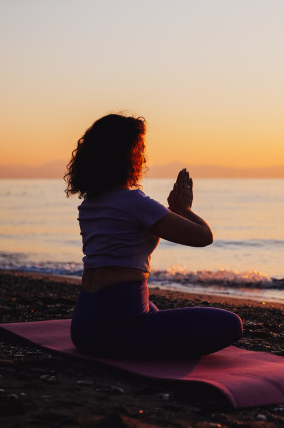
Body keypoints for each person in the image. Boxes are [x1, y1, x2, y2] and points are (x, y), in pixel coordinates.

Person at [64, 113, 242, 359]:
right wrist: (184, 209)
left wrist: (173, 212)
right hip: (116, 332)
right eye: (139, 148)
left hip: (84, 329)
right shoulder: (135, 203)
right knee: (230, 324)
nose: (142, 155)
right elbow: (203, 236)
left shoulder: (90, 204)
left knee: (152, 308)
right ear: (127, 155)